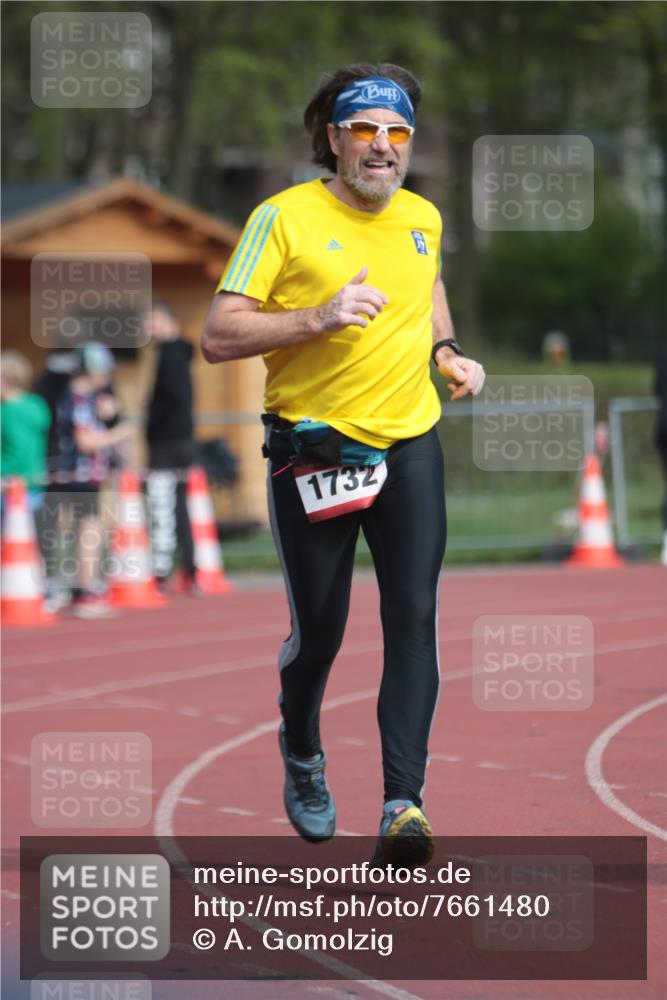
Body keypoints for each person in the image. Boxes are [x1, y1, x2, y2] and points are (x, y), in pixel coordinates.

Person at [201, 63, 485, 865]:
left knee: (415, 618)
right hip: (314, 448)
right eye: (365, 130)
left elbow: (422, 284)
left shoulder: (422, 215)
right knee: (319, 634)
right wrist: (318, 317)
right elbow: (218, 336)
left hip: (408, 444)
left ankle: (403, 802)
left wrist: (447, 350)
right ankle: (301, 748)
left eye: (397, 133)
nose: (382, 147)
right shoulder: (281, 218)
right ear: (333, 138)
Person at [49, 342, 133, 618]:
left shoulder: (86, 400)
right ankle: (85, 592)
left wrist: (108, 416)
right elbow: (86, 443)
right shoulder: (77, 400)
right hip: (79, 476)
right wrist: (120, 432)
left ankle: (79, 588)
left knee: (84, 531)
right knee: (90, 531)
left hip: (84, 475)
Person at [143, 304, 197, 591]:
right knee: (178, 506)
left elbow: (174, 398)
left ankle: (163, 572)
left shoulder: (171, 354)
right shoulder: (178, 353)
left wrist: (152, 418)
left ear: (168, 321)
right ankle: (190, 570)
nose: (148, 330)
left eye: (153, 323)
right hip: (180, 440)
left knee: (162, 506)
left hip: (167, 442)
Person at [1, 351, 51, 510]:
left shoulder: (10, 410)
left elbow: (17, 451)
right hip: (35, 482)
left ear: (6, 380)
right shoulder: (36, 404)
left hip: (11, 486)